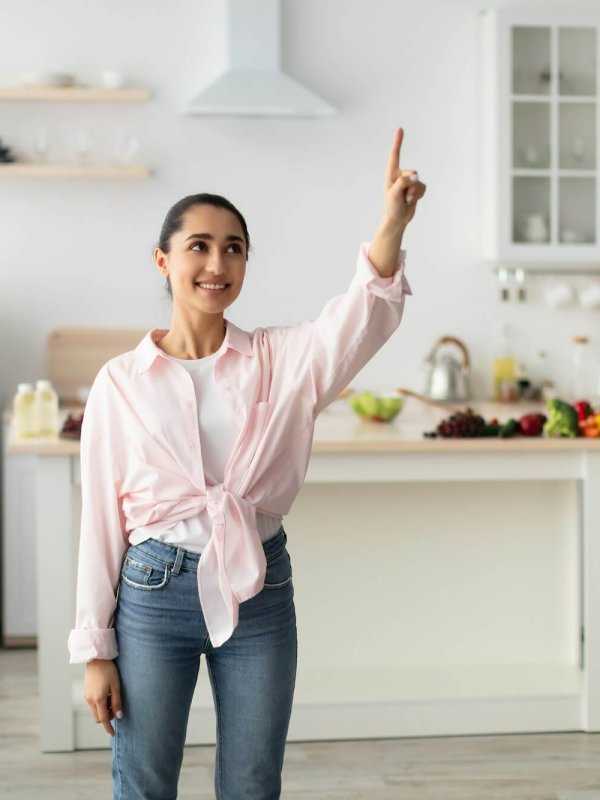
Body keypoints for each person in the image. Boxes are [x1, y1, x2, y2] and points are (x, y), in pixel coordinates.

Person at [67, 127, 425, 800]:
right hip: (151, 594)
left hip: (259, 591)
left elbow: (359, 318)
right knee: (143, 781)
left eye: (233, 247)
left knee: (254, 782)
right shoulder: (120, 381)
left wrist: (391, 225)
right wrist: (95, 650)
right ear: (162, 261)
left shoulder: (280, 360)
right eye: (198, 246)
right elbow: (99, 524)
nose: (216, 262)